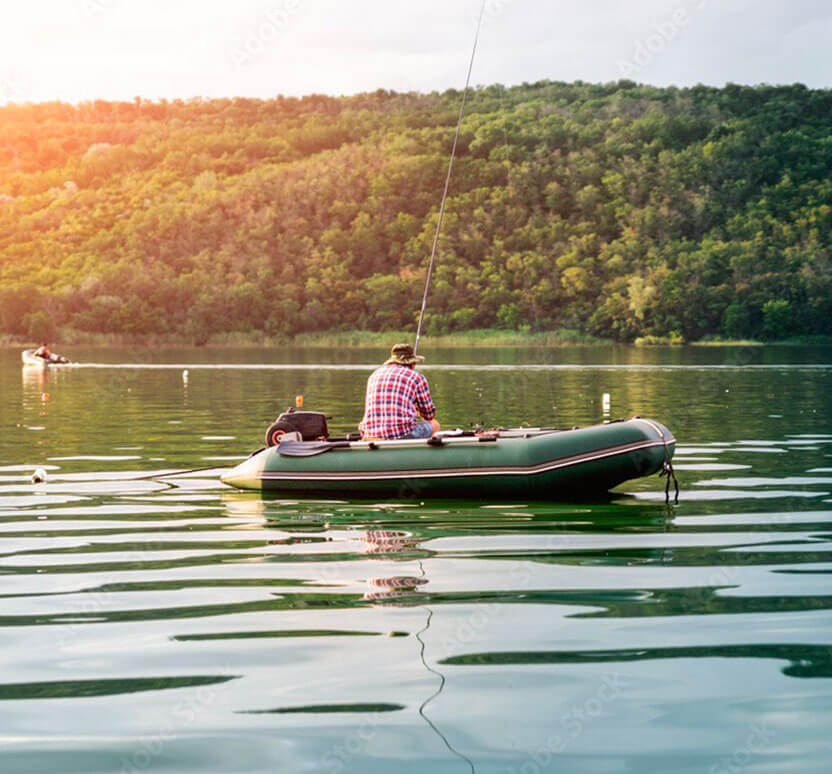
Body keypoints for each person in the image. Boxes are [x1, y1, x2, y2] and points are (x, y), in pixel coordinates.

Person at [359, 343, 440, 440]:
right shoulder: (416, 377)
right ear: (412, 363)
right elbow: (429, 415)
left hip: (370, 434)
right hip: (400, 434)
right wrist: (417, 409)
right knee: (435, 425)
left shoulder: (374, 375)